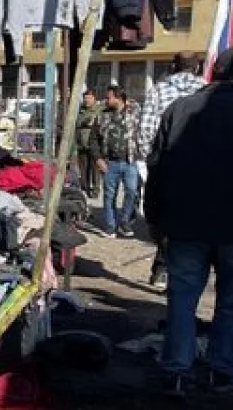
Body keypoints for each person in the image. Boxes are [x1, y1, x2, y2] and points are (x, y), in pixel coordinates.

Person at [145, 47, 233, 398]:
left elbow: (157, 167)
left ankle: (176, 370)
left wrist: (155, 218)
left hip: (186, 224)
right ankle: (222, 370)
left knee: (182, 298)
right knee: (232, 300)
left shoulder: (179, 110)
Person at [140, 52, 208, 287]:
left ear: (172, 66)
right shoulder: (207, 91)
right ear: (197, 68)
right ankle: (188, 274)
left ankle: (162, 269)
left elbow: (146, 131)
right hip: (201, 170)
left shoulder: (158, 90)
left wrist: (152, 160)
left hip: (166, 166)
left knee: (165, 219)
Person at [90, 85, 142, 236]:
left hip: (130, 161)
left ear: (118, 98)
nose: (106, 100)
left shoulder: (134, 112)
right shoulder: (103, 115)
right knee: (109, 195)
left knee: (132, 192)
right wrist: (98, 158)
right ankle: (110, 226)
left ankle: (125, 222)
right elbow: (93, 139)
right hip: (109, 162)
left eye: (108, 97)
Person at [75, 90, 102, 196]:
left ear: (94, 98)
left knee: (95, 169)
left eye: (89, 97)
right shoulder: (81, 109)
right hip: (82, 144)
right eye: (85, 97)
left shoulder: (99, 109)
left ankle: (95, 190)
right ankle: (85, 188)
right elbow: (77, 123)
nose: (87, 100)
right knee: (83, 168)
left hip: (94, 145)